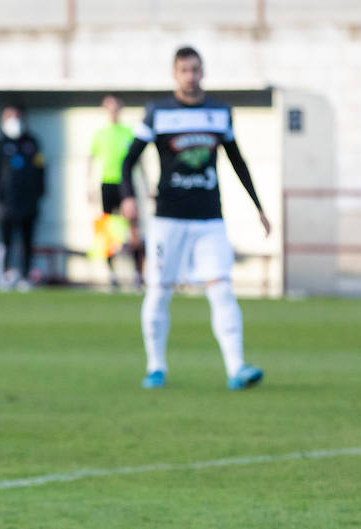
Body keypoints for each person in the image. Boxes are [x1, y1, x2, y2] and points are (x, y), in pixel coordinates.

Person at [119, 45, 270, 390]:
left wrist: (258, 207)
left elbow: (237, 161)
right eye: (184, 70)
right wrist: (128, 198)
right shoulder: (158, 113)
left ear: (203, 72)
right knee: (159, 291)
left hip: (209, 219)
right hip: (168, 220)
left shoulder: (219, 112)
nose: (191, 76)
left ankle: (237, 367)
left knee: (222, 289)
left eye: (196, 69)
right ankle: (156, 366)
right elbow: (129, 160)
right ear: (175, 74)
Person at [0, 104, 45, 291]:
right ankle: (2, 274)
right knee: (5, 241)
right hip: (7, 203)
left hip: (28, 202)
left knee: (27, 241)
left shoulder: (31, 143)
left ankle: (25, 276)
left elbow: (41, 169)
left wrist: (38, 193)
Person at [87, 94, 145, 289]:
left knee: (133, 228)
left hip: (126, 186)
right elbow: (91, 159)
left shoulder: (128, 132)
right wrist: (89, 186)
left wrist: (148, 183)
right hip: (107, 185)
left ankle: (139, 273)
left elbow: (138, 160)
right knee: (108, 232)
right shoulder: (100, 134)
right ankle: (112, 273)